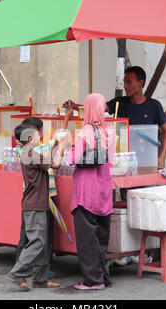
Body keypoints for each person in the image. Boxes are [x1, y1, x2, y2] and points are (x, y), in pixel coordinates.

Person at [62, 66, 166, 169]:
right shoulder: (120, 102)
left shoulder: (154, 106)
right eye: (124, 81)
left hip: (147, 161)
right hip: (124, 162)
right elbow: (97, 107)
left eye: (129, 82)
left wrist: (162, 157)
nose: (125, 86)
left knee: (147, 188)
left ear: (141, 83)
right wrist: (75, 106)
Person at [7, 119, 64, 291]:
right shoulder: (31, 154)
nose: (40, 136)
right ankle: (17, 272)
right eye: (38, 134)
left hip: (35, 203)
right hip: (35, 205)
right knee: (37, 241)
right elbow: (56, 164)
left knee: (41, 240)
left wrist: (54, 145)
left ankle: (40, 279)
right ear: (30, 139)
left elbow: (45, 160)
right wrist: (61, 147)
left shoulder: (27, 152)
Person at [66, 93, 115, 290]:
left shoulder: (86, 131)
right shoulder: (110, 130)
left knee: (87, 239)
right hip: (104, 189)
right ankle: (103, 277)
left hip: (86, 192)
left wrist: (63, 151)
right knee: (101, 237)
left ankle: (93, 281)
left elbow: (74, 158)